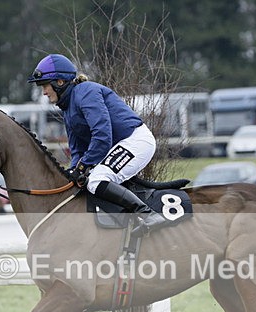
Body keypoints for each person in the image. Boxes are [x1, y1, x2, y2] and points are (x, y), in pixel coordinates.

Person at [27, 53, 166, 233]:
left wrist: (85, 165)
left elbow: (102, 135)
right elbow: (77, 149)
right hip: (120, 145)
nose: (44, 92)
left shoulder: (85, 92)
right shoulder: (68, 108)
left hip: (135, 141)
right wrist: (73, 171)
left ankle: (148, 214)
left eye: (45, 85)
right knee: (84, 181)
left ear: (59, 82)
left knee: (97, 179)